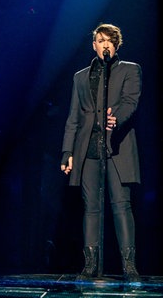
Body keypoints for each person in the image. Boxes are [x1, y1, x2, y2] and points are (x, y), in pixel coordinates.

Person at [59, 23, 141, 283]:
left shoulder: (130, 69)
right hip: (88, 149)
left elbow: (131, 101)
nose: (105, 44)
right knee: (91, 208)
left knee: (121, 206)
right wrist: (67, 151)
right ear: (93, 44)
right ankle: (90, 264)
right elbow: (73, 117)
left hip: (117, 148)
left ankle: (129, 265)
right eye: (100, 40)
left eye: (110, 40)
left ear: (117, 44)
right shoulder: (80, 77)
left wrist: (115, 118)